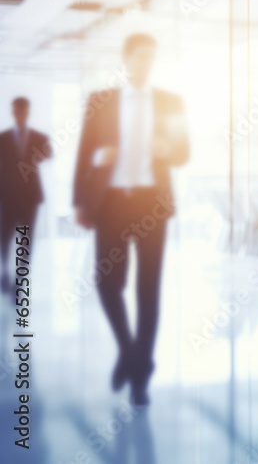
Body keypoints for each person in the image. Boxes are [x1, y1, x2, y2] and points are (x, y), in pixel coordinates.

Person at [73, 33, 190, 406]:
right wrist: (82, 198)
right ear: (126, 59)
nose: (145, 64)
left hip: (152, 204)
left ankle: (140, 375)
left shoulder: (171, 103)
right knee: (108, 283)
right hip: (111, 203)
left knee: (148, 289)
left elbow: (185, 153)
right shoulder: (101, 101)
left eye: (150, 58)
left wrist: (168, 149)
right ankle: (129, 350)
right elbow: (84, 152)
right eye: (139, 57)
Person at [0, 97, 53, 294]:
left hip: (30, 198)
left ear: (27, 112)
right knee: (4, 237)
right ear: (12, 112)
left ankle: (19, 280)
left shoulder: (39, 137)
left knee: (25, 239)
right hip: (6, 196)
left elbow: (50, 154)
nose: (20, 114)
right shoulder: (2, 138)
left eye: (23, 111)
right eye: (16, 111)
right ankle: (4, 273)